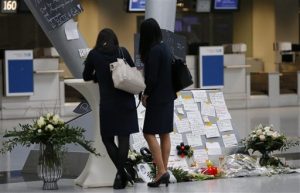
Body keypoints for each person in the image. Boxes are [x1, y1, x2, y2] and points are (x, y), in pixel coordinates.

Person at [82, 28, 139, 189]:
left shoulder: (94, 55)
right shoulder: (122, 51)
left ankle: (121, 173)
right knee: (123, 139)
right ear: (115, 39)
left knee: (107, 139)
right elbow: (133, 71)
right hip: (126, 101)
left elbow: (86, 75)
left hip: (108, 104)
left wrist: (98, 76)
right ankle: (122, 173)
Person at [139, 18, 176, 187]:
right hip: (169, 97)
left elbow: (152, 78)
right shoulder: (166, 48)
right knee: (165, 133)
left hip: (157, 98)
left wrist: (145, 95)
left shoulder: (153, 51)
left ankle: (161, 171)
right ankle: (163, 171)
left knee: (148, 133)